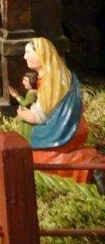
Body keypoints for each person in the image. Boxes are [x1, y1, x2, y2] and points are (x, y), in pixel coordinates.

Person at [17, 38, 105, 191]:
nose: (25, 57)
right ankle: (92, 161)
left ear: (42, 54)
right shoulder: (60, 73)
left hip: (62, 132)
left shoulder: (50, 79)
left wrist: (23, 114)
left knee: (40, 159)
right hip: (74, 127)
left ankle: (90, 169)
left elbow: (41, 115)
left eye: (28, 52)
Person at [9, 71, 38, 142]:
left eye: (25, 80)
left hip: (28, 120)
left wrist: (16, 96)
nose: (23, 82)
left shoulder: (32, 93)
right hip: (26, 118)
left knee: (26, 135)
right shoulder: (31, 92)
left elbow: (26, 103)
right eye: (23, 80)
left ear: (32, 81)